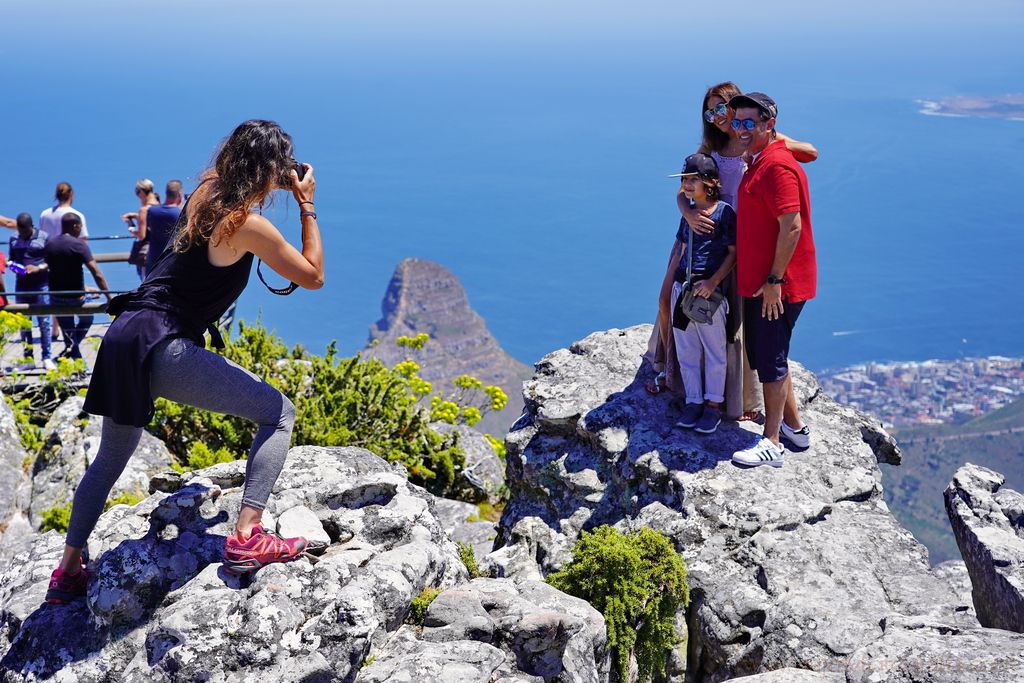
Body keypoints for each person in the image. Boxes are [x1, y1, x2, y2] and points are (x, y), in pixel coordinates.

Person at [46, 120, 325, 604]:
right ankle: (247, 536)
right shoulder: (247, 224)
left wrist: (268, 177)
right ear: (268, 170)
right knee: (279, 414)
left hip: (125, 334)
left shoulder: (205, 194)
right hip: (166, 345)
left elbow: (228, 178)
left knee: (111, 458)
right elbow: (313, 275)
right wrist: (305, 204)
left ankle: (68, 571)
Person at [647, 82, 817, 423]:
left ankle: (744, 402)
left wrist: (773, 134)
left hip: (739, 242)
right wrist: (687, 210)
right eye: (709, 112)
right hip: (701, 237)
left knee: (738, 328)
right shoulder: (710, 148)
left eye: (721, 109)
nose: (717, 118)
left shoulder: (757, 143)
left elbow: (811, 152)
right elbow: (684, 185)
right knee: (669, 301)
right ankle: (670, 371)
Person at [727, 92, 817, 468]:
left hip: (777, 285)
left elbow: (791, 226)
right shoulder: (762, 160)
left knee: (771, 358)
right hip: (767, 281)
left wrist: (775, 280)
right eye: (738, 122)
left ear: (769, 125)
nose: (742, 130)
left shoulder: (777, 166)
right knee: (770, 354)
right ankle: (795, 429)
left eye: (751, 123)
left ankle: (773, 442)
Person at [669, 154, 736, 434]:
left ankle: (713, 406)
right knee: (687, 350)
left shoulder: (724, 213)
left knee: (714, 351)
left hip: (708, 293)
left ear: (710, 183)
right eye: (684, 180)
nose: (686, 185)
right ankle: (693, 401)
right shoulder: (691, 212)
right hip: (683, 289)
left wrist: (712, 283)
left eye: (692, 180)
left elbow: (734, 253)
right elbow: (683, 245)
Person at [44, 213, 111, 360]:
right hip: (76, 298)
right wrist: (109, 297)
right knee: (87, 319)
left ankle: (70, 350)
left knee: (68, 334)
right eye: (81, 226)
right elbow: (97, 274)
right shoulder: (79, 245)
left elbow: (53, 271)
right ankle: (80, 368)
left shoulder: (50, 245)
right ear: (75, 226)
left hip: (57, 297)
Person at [9, 213, 55, 370]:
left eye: (24, 231)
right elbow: (11, 260)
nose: (21, 234)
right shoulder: (13, 239)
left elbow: (51, 260)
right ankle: (28, 359)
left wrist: (38, 268)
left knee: (44, 322)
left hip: (41, 284)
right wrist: (16, 268)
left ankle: (47, 357)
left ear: (30, 226)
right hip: (22, 284)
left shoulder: (44, 237)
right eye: (19, 230)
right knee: (24, 323)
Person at [143, 179, 185, 275]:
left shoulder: (152, 211)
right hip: (171, 263)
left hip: (153, 261)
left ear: (166, 193)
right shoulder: (180, 214)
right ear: (179, 194)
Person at [121, 178, 161, 280]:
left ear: (142, 191)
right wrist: (136, 216)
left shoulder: (143, 210)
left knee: (145, 281)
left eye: (137, 192)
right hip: (160, 251)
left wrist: (130, 226)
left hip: (147, 255)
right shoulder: (159, 206)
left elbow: (141, 235)